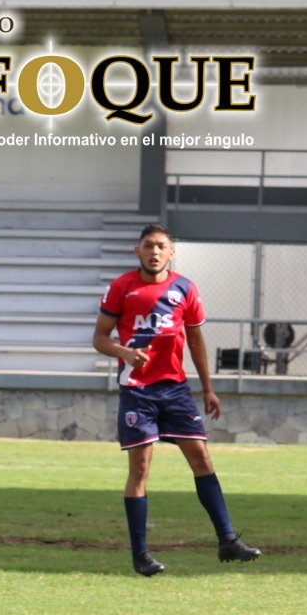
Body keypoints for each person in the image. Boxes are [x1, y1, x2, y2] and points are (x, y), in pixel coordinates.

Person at [92, 224, 261, 577]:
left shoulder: (185, 288)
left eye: (161, 246)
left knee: (202, 458)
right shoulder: (121, 288)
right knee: (140, 469)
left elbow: (197, 342)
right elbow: (99, 338)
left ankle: (227, 540)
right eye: (148, 245)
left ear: (172, 253)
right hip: (137, 391)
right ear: (137, 251)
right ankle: (140, 554)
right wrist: (125, 352)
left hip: (176, 389)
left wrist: (208, 388)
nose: (155, 251)